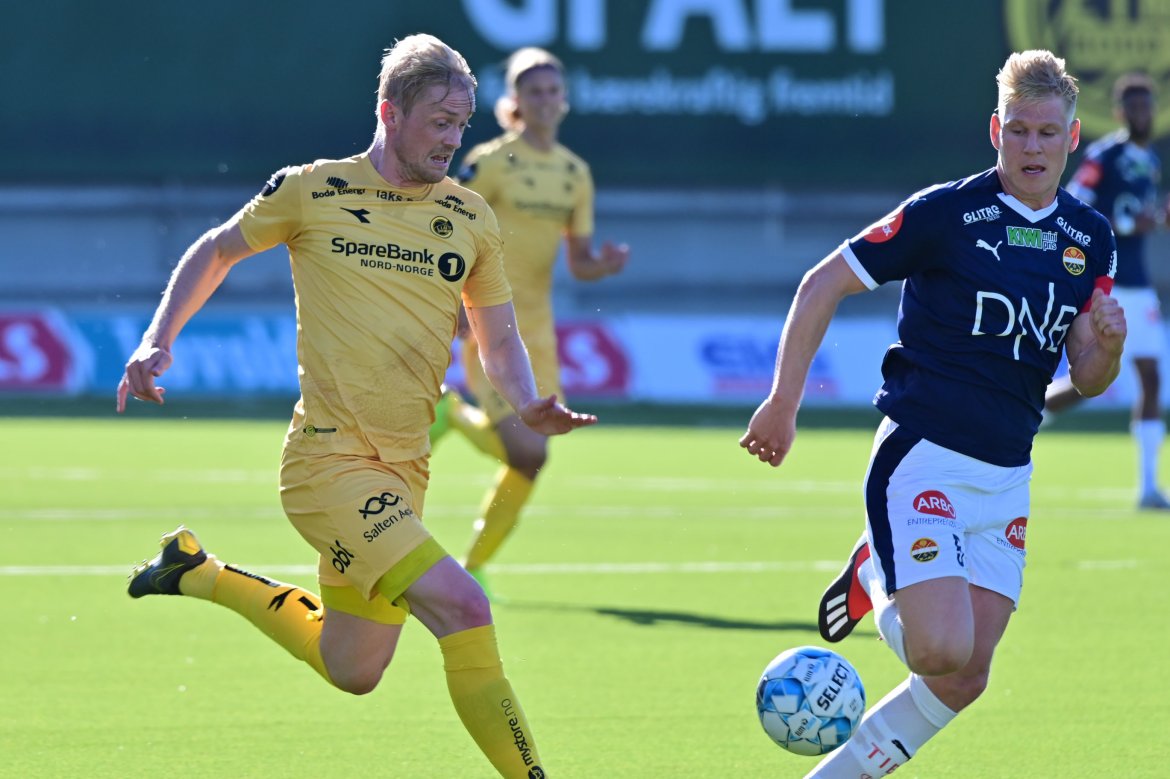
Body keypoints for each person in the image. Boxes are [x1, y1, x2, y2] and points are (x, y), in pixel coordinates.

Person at [116, 33, 597, 778]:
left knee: (353, 667)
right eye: (438, 120)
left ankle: (195, 570)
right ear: (389, 112)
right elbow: (215, 249)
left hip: (403, 468)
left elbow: (496, 336)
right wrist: (156, 340)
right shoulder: (312, 190)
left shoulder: (470, 216)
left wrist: (527, 399)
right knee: (464, 607)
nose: (451, 138)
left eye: (461, 123)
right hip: (327, 463)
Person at [740, 50, 1124, 776]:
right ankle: (874, 570)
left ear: (1072, 137)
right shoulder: (947, 212)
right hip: (925, 454)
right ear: (995, 131)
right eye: (1018, 130)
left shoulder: (1088, 238)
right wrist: (782, 401)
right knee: (936, 650)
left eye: (1047, 132)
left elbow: (1089, 379)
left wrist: (1105, 344)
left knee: (965, 675)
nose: (1032, 146)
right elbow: (822, 283)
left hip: (1008, 473)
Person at [430, 47, 629, 597]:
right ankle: (456, 417)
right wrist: (455, 301)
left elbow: (580, 263)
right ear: (514, 102)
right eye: (533, 91)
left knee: (531, 458)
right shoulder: (493, 161)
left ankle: (472, 566)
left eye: (552, 90)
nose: (544, 100)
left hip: (538, 330)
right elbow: (450, 226)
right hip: (487, 316)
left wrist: (604, 264)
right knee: (529, 450)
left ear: (563, 100)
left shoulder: (574, 174)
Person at [1044, 72, 1170, 509]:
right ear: (1120, 113)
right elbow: (1077, 202)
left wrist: (1156, 217)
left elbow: (1144, 213)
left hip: (1141, 285)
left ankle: (1149, 487)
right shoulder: (1105, 155)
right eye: (1134, 107)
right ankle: (1033, 413)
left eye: (1147, 106)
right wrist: (1133, 224)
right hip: (1111, 285)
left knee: (1151, 380)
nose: (1142, 114)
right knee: (1088, 382)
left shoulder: (1149, 161)